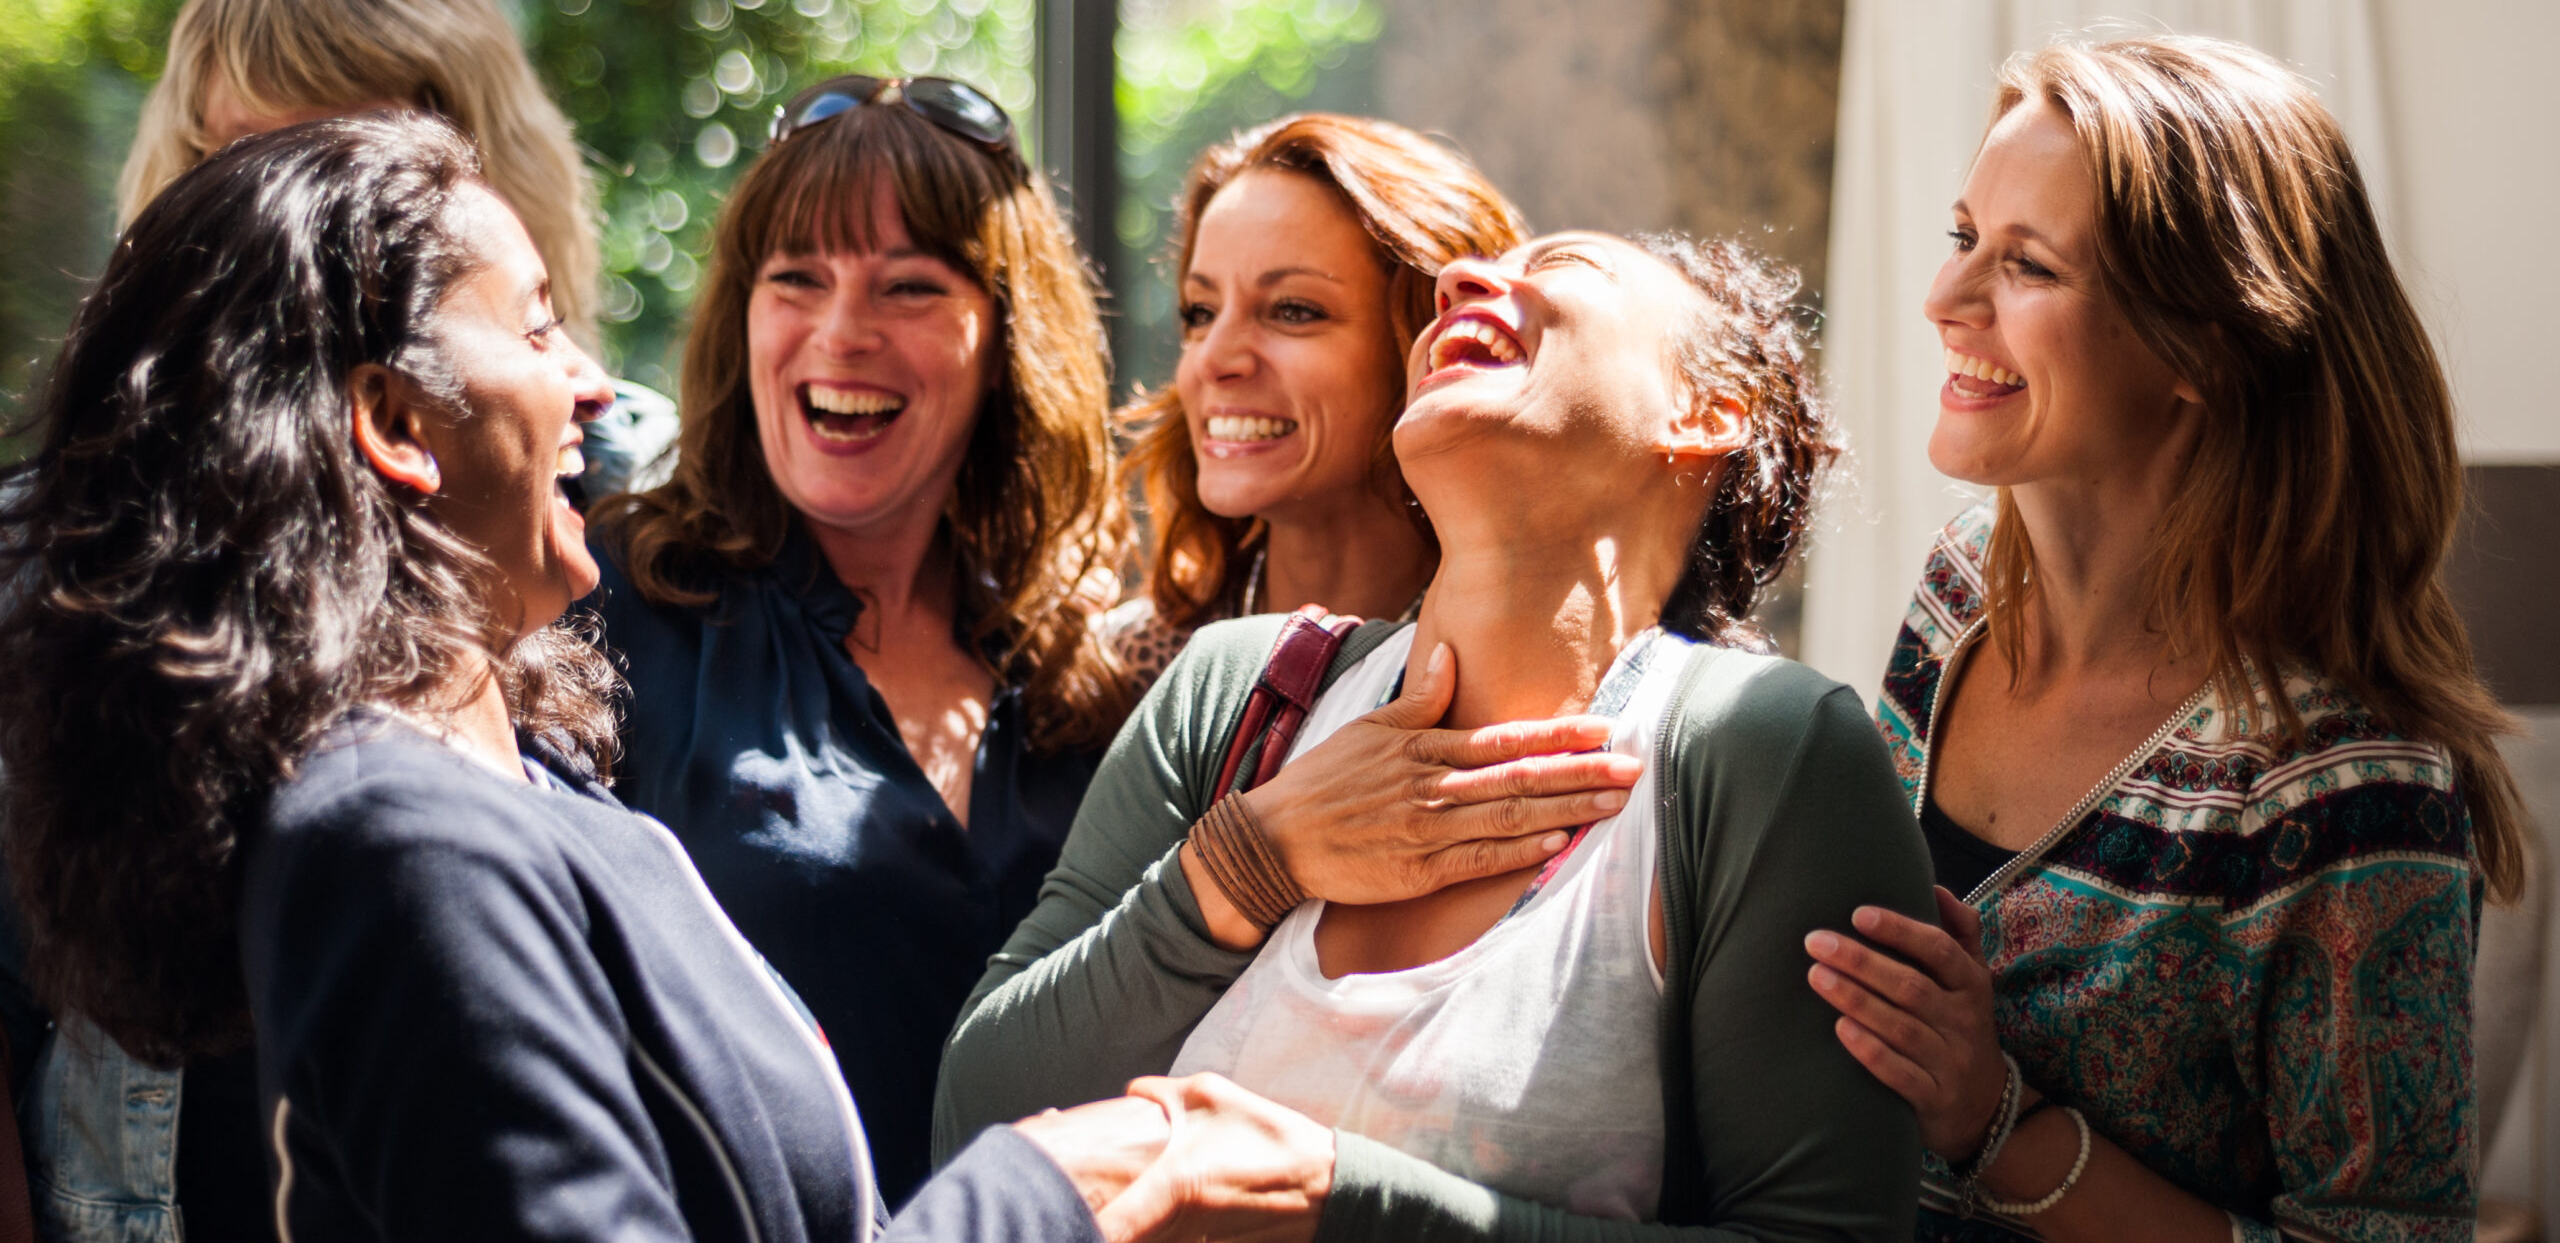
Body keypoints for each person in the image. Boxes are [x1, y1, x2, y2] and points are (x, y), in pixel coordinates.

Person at [0, 113, 1198, 1243]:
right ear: (396, 424)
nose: (591, 380)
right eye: (533, 330)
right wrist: (1046, 1190)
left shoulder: (522, 781)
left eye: (911, 283)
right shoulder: (400, 837)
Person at [939, 228, 1937, 1241]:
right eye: (1470, 276)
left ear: (1704, 413)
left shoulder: (1760, 748)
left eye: (1560, 269)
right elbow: (970, 1127)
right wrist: (1247, 861)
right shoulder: (1232, 691)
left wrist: (1328, 1196)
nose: (1463, 281)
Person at [1802, 37, 2520, 1241]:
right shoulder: (1954, 592)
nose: (1945, 298)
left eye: (2025, 264)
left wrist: (1996, 1122)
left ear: (2202, 342)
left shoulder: (2341, 791)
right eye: (1961, 235)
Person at [580, 74, 1138, 1206]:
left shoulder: (1096, 660)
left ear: (1004, 337)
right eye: (797, 277)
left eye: (908, 286)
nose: (842, 332)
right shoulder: (611, 612)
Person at [115, 0, 678, 494]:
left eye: (370, 160)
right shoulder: (62, 542)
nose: (310, 208)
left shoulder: (660, 512)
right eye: (257, 162)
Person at [1106, 115, 1527, 684]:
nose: (1213, 359)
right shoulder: (1123, 671)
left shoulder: (1531, 675)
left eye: (1293, 310)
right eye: (1200, 313)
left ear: (1439, 344)